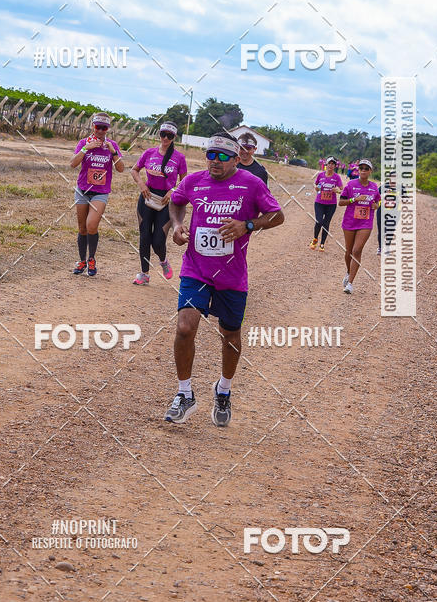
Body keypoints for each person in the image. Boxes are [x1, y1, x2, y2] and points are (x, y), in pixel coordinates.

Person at [164, 133, 284, 427]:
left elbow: (277, 215)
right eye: (210, 155)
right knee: (184, 327)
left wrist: (248, 225)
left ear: (235, 158)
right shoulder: (194, 181)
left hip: (232, 275)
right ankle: (184, 394)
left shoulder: (251, 183)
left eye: (222, 157)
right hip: (196, 269)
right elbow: (177, 201)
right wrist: (178, 226)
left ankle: (224, 390)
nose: (214, 161)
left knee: (229, 335)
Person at [130, 122, 187, 285]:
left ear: (174, 137)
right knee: (144, 236)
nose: (166, 138)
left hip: (166, 201)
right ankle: (144, 274)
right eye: (163, 134)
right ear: (159, 134)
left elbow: (184, 182)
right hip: (147, 197)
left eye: (170, 136)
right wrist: (141, 185)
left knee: (158, 241)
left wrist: (172, 191)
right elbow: (134, 170)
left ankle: (163, 261)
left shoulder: (179, 157)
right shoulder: (149, 153)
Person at [70, 112, 124, 276]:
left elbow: (121, 169)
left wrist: (113, 152)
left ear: (108, 129)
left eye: (104, 128)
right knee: (82, 228)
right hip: (82, 190)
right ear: (92, 126)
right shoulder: (83, 143)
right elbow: (72, 163)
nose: (100, 130)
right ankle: (82, 261)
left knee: (91, 225)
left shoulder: (112, 145)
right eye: (97, 127)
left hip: (100, 192)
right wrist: (87, 149)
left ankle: (91, 258)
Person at [338, 159, 381, 294]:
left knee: (357, 251)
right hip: (350, 222)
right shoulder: (351, 185)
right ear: (358, 170)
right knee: (349, 251)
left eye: (366, 168)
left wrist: (376, 205)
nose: (363, 170)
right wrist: (353, 200)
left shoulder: (374, 187)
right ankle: (348, 271)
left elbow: (378, 201)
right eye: (361, 168)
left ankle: (350, 283)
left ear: (370, 171)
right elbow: (341, 202)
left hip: (365, 223)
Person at [309, 156, 342, 251]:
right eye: (329, 163)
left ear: (335, 166)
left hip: (331, 204)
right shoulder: (320, 175)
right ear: (326, 165)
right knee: (319, 221)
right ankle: (315, 239)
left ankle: (322, 243)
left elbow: (341, 188)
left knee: (326, 223)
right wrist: (316, 187)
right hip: (319, 202)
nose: (331, 165)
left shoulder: (337, 177)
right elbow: (315, 184)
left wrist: (338, 190)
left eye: (333, 164)